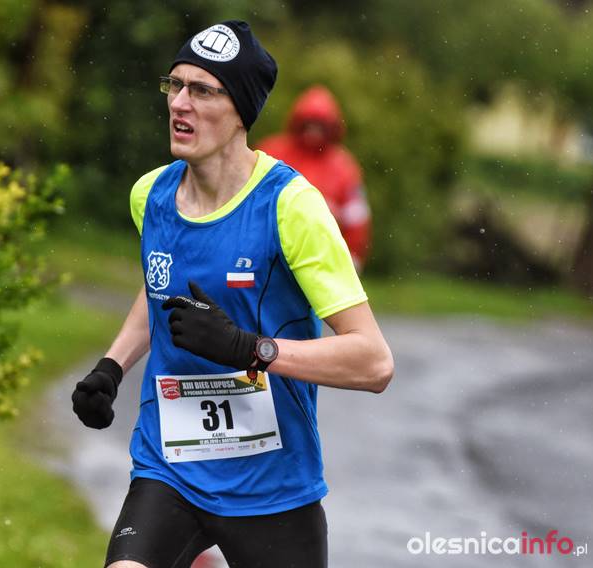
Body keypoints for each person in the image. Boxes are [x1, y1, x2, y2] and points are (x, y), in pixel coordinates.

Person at [71, 20, 394, 568]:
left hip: (272, 484)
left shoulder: (291, 207)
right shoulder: (150, 195)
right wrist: (112, 367)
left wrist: (250, 349)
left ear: (241, 110)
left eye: (202, 90)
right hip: (169, 467)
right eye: (174, 85)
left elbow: (374, 362)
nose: (180, 103)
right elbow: (159, 288)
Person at [258, 86, 371, 271]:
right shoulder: (272, 151)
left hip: (321, 260)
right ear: (297, 123)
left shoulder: (344, 166)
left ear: (331, 128)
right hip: (269, 255)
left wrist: (353, 259)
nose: (313, 133)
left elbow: (356, 217)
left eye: (320, 126)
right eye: (308, 125)